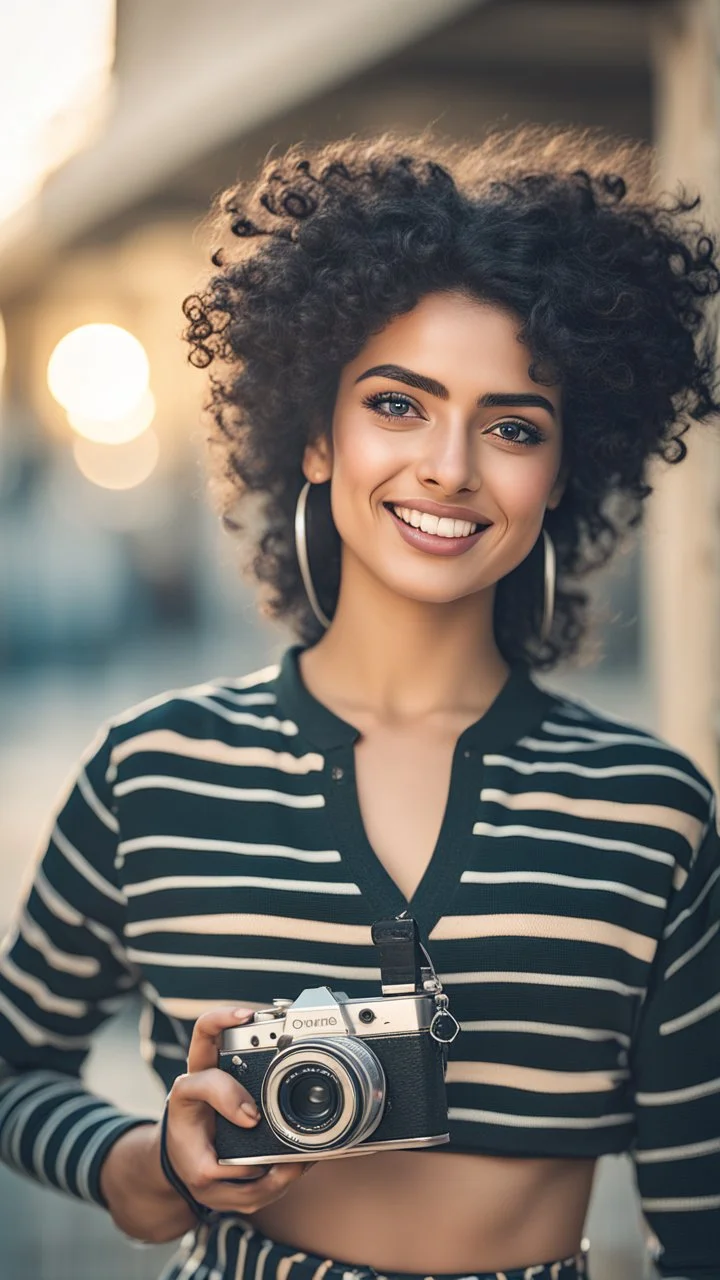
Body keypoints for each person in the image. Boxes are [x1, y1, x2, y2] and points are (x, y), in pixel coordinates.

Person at [1, 124, 719, 1280]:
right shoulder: (152, 771)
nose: (449, 465)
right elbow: (10, 1060)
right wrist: (135, 1162)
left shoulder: (651, 812)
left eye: (513, 425)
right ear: (316, 438)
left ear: (565, 467)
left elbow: (704, 1218)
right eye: (398, 403)